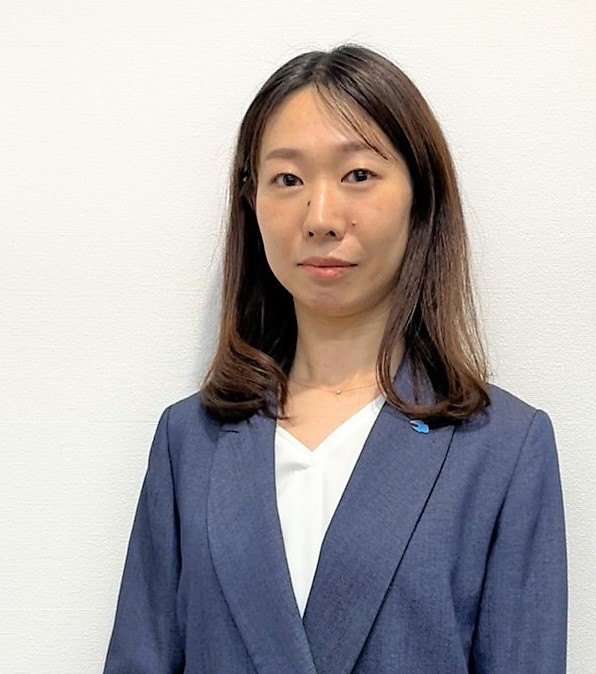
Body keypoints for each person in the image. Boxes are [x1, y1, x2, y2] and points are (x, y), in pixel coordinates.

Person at [103, 44, 567, 673]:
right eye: (287, 180)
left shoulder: (504, 447)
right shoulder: (189, 441)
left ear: (420, 195)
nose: (321, 218)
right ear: (252, 203)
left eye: (358, 175)